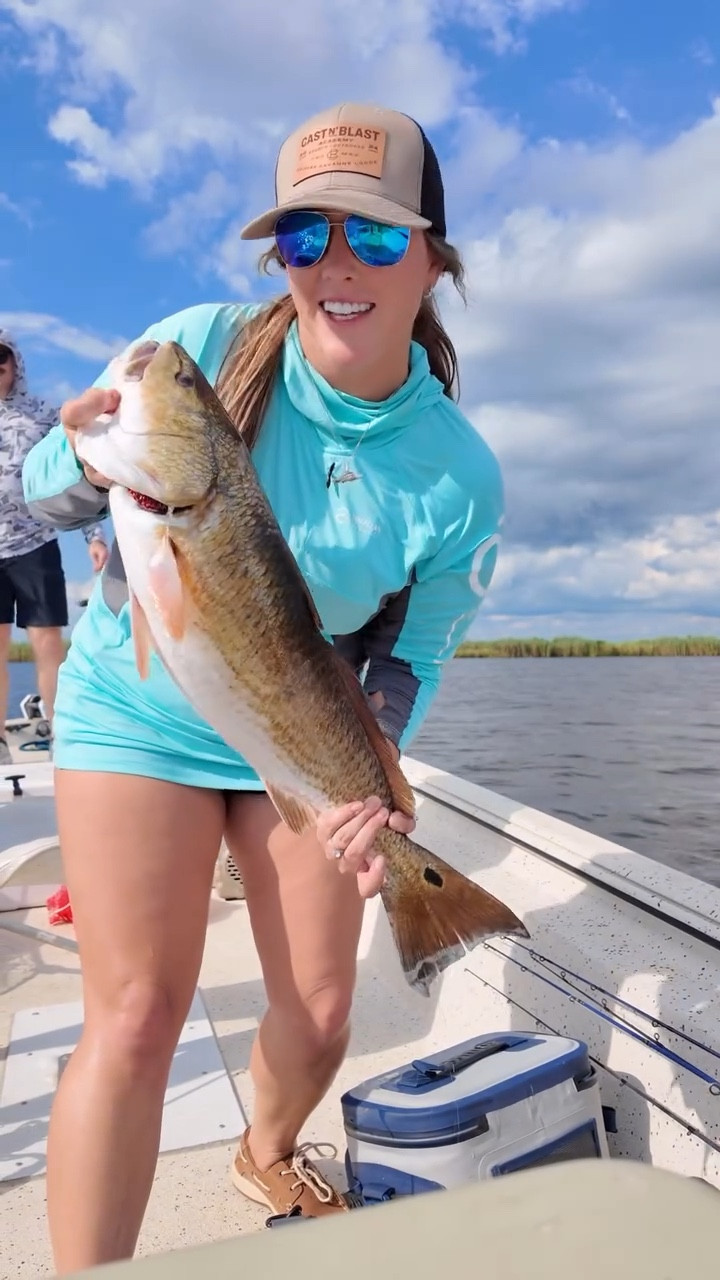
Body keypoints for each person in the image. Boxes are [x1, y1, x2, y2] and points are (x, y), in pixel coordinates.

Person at [22, 102, 504, 1272]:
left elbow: (407, 657)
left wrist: (371, 785)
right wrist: (86, 452)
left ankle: (266, 1143)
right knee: (135, 1014)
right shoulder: (203, 346)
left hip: (298, 729)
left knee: (324, 1009)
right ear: (276, 256)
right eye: (304, 238)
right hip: (138, 716)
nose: (336, 266)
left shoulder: (458, 475)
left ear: (435, 256)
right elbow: (42, 489)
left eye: (377, 237)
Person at [0, 330, 109, 764]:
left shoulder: (42, 413)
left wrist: (94, 537)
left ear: (16, 363)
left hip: (37, 542)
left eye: (2, 357)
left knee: (47, 644)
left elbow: (76, 471)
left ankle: (60, 738)